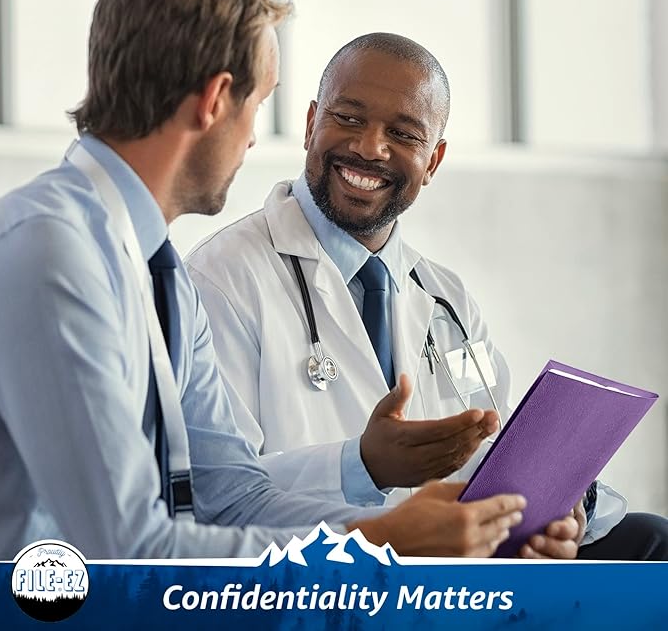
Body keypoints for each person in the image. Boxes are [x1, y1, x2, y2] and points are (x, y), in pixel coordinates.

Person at [0, 0, 534, 561]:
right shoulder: (52, 256)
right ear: (215, 100)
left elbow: (232, 498)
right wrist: (381, 541)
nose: (252, 138)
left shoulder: (159, 275)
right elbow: (125, 547)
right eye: (258, 103)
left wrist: (405, 528)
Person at [186, 33, 668, 560]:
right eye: (348, 118)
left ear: (433, 161)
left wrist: (557, 507)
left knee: (651, 539)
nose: (370, 147)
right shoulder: (222, 279)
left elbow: (491, 445)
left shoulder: (446, 300)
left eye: (403, 133)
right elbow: (216, 494)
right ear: (309, 125)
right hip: (324, 578)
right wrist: (361, 466)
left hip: (453, 570)